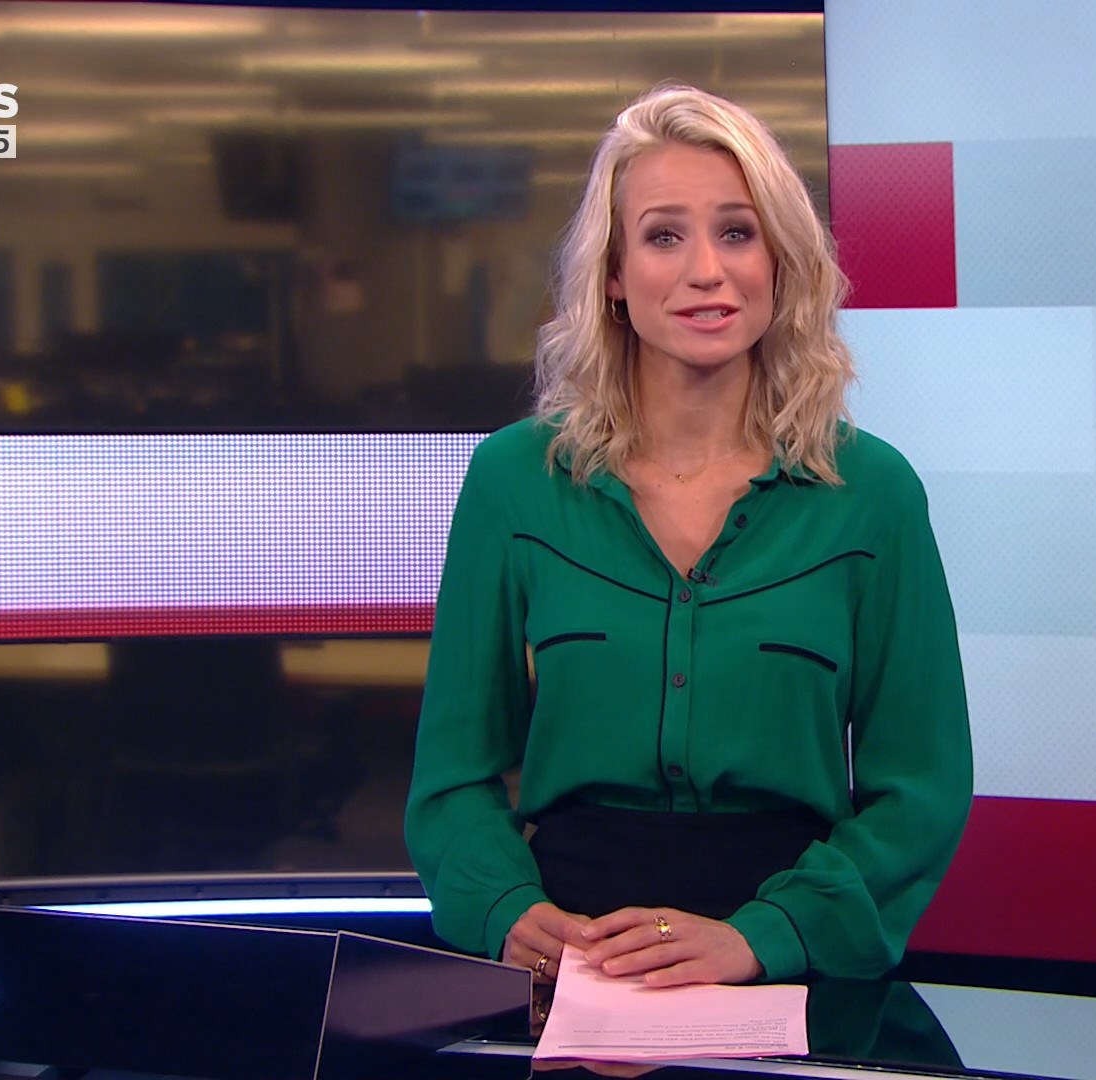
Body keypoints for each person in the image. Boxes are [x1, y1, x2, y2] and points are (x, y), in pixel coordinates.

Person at [404, 84, 971, 988]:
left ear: (779, 262)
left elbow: (921, 791)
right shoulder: (514, 481)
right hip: (577, 955)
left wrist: (761, 938)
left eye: (737, 232)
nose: (707, 269)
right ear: (614, 274)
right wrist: (505, 907)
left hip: (784, 949)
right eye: (664, 236)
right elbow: (452, 777)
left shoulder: (873, 494)